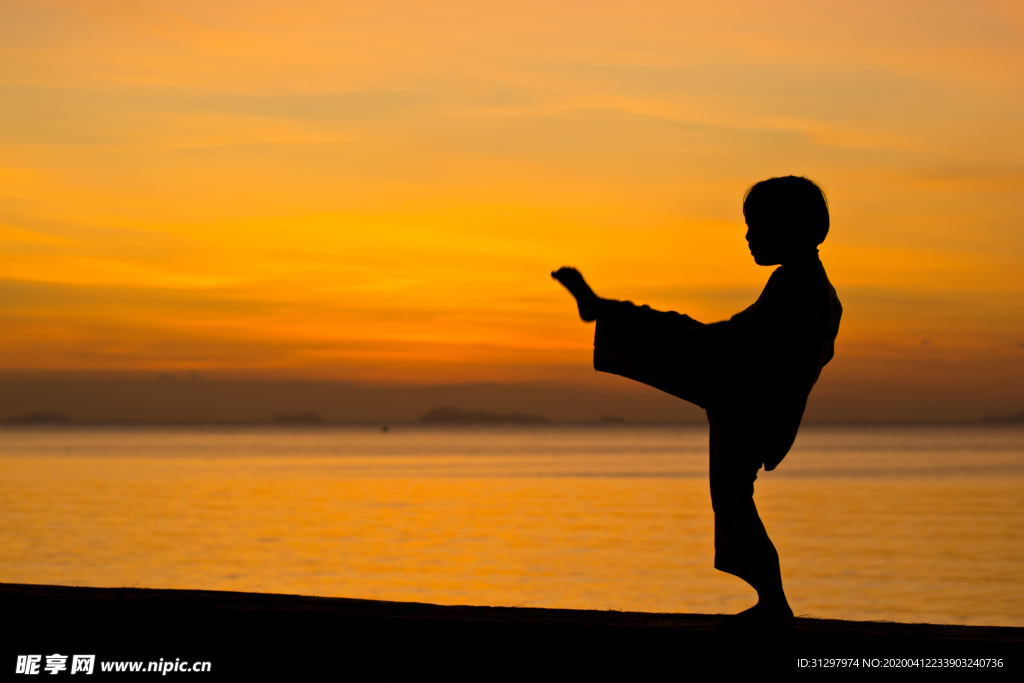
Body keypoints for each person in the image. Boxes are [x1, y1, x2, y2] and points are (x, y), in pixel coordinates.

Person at [551, 176, 842, 631]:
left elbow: (754, 339)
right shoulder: (805, 283)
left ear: (790, 226)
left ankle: (774, 605)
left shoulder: (800, 286)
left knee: (731, 496)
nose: (748, 236)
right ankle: (606, 310)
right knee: (730, 496)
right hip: (748, 395)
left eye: (757, 225)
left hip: (752, 401)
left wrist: (707, 348)